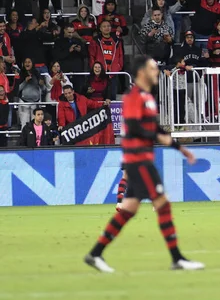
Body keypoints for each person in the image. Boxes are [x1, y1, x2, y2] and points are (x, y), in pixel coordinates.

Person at [84, 55, 204, 272]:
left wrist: (180, 148)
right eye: (152, 68)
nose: (156, 71)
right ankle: (177, 258)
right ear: (141, 72)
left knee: (128, 210)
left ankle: (95, 254)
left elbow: (156, 129)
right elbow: (136, 126)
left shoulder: (148, 97)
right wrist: (160, 138)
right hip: (138, 159)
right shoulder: (133, 97)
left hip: (141, 159)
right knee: (163, 204)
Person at [88, 20, 125, 99]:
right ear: (100, 29)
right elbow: (91, 56)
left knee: (112, 96)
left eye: (108, 26)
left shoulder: (117, 41)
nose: (106, 28)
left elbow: (121, 56)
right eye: (104, 26)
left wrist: (118, 67)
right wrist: (95, 69)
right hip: (100, 73)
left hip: (113, 72)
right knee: (100, 96)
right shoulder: (95, 40)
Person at [53, 23, 87, 92]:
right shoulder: (58, 41)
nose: (71, 34)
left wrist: (80, 50)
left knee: (78, 92)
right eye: (69, 32)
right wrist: (69, 51)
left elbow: (85, 54)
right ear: (64, 30)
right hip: (65, 72)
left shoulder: (78, 41)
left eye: (72, 32)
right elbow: (57, 56)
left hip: (77, 72)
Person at [16, 58, 46, 127]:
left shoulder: (37, 73)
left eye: (29, 62)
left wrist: (42, 84)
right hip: (24, 103)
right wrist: (25, 81)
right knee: (24, 125)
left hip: (35, 103)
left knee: (36, 125)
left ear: (32, 63)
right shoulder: (21, 74)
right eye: (25, 62)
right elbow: (17, 90)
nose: (27, 63)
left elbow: (44, 89)